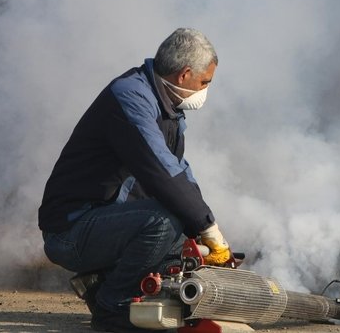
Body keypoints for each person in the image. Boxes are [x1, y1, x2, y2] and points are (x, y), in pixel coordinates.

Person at [38, 28, 231, 333]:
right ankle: (113, 308)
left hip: (105, 222)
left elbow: (180, 171)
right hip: (70, 231)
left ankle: (100, 285)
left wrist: (204, 231)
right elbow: (162, 171)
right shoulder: (131, 97)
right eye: (205, 82)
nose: (205, 90)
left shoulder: (166, 107)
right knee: (163, 222)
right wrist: (208, 227)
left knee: (184, 246)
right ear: (184, 75)